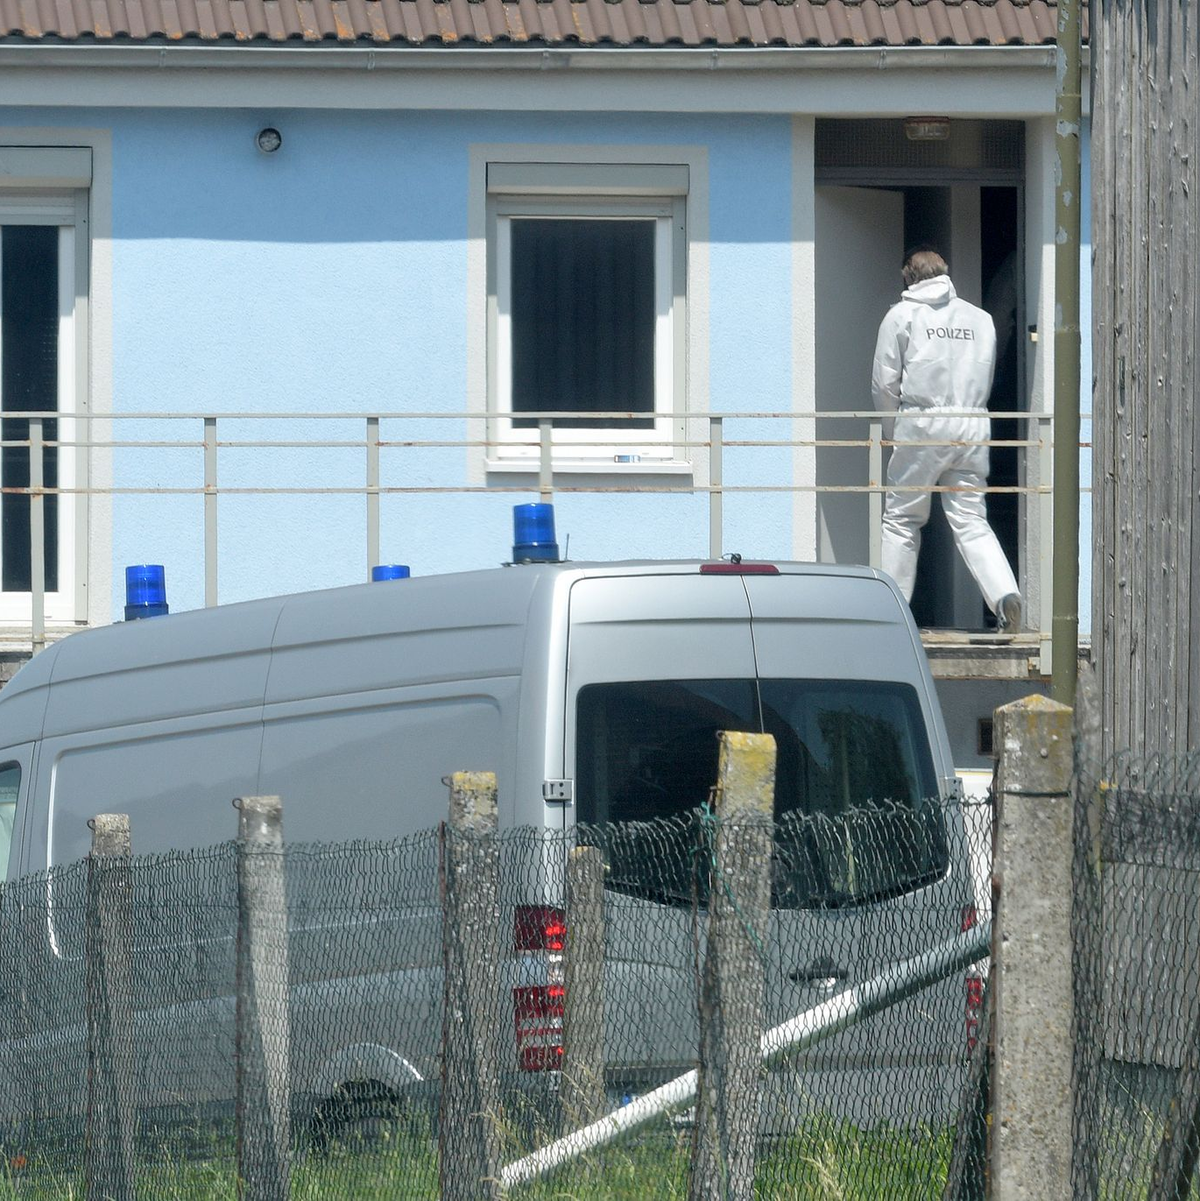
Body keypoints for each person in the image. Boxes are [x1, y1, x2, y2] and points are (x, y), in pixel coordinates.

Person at [871, 247, 1022, 630]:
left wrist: (893, 434)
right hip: (972, 423)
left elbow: (884, 383)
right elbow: (989, 371)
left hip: (921, 424)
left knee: (902, 519)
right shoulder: (981, 319)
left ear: (908, 276)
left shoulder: (901, 316)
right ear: (946, 273)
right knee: (972, 520)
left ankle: (892, 612)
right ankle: (1005, 596)